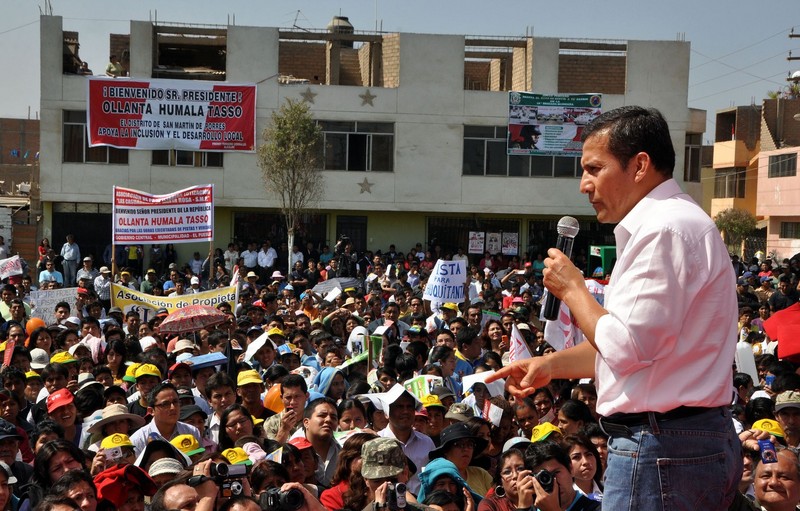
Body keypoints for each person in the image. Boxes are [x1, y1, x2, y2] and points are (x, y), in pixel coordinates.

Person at [489, 106, 741, 509]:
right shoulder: (672, 224)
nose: (583, 186)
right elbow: (635, 349)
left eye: (594, 168)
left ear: (639, 165)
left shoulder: (664, 229)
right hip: (678, 443)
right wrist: (550, 366)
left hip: (660, 446)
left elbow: (626, 348)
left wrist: (573, 289)